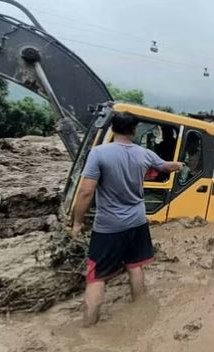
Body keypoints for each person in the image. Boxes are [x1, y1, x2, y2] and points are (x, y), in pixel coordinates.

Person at [72, 112, 183, 327]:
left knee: (96, 276)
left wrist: (77, 222)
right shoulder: (144, 154)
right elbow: (165, 167)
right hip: (138, 221)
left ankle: (87, 328)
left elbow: (85, 192)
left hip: (108, 227)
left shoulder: (99, 153)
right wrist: (178, 165)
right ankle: (139, 312)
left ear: (112, 129)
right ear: (134, 130)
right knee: (135, 266)